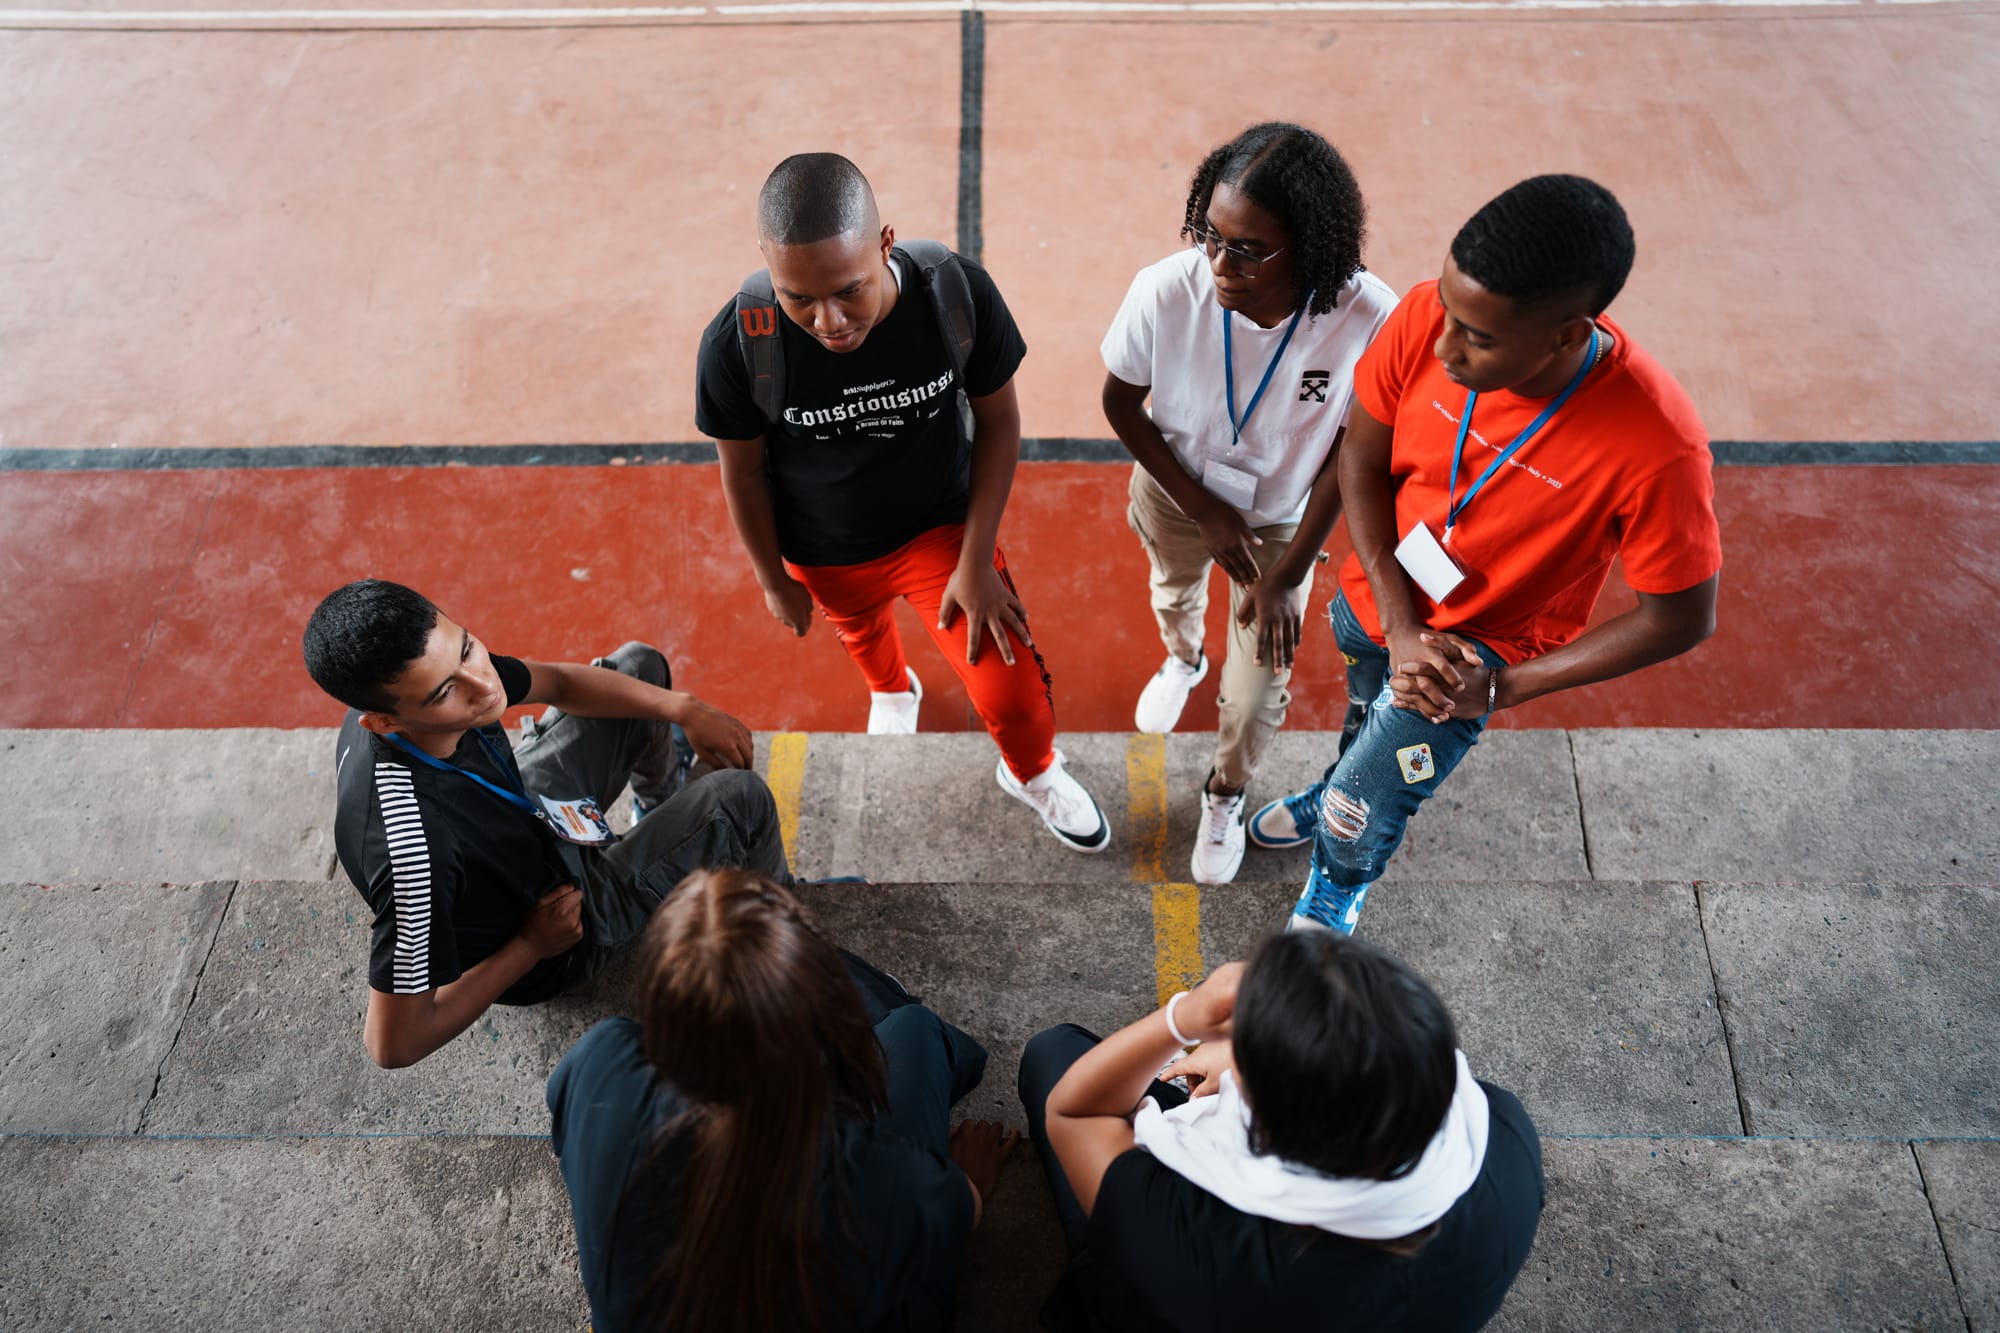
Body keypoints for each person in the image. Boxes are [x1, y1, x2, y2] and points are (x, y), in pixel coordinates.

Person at [1248, 175, 1722, 932]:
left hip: (1476, 658)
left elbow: (1682, 617)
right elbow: (1360, 463)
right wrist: (1401, 625)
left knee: (1364, 802)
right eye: (1448, 307)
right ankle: (1340, 781)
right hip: (1383, 595)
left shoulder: (1659, 444)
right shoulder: (1428, 315)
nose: (1443, 344)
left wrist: (1504, 686)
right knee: (1366, 707)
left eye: (1481, 337)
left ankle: (1338, 882)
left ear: (1569, 333)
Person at [696, 151, 1110, 853]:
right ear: (770, 271)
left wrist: (977, 561)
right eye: (799, 297)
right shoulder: (738, 345)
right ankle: (894, 691)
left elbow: (1001, 422)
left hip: (939, 532)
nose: (827, 320)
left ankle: (1034, 772)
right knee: (862, 636)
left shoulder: (954, 294)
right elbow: (741, 477)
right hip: (824, 548)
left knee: (1012, 691)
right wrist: (773, 580)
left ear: (885, 243)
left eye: (848, 290)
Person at [306, 578, 789, 1068]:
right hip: (559, 928)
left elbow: (558, 684)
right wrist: (531, 945)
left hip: (527, 816)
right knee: (741, 801)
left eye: (469, 650)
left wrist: (686, 708)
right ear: (383, 723)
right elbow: (392, 1045)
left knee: (642, 667)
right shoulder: (414, 853)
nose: (486, 687)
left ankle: (659, 812)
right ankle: (787, 937)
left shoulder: (425, 682)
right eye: (446, 691)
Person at [1101, 122, 1396, 885]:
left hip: (1281, 522)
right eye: (1210, 235)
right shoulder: (1167, 289)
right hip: (1176, 494)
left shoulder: (1370, 320)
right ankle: (1183, 656)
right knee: (1174, 592)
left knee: (1262, 680)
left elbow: (1350, 452)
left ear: (1309, 245)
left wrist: (1287, 572)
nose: (1218, 262)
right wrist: (1201, 505)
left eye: (1246, 248)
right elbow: (1121, 403)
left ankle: (1225, 792)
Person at [547, 868, 1016, 1333]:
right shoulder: (884, 1179)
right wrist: (964, 1178)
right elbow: (959, 1213)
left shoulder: (599, 1064)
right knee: (913, 1028)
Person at [1019, 930, 1543, 1332]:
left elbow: (1077, 1113)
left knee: (1053, 1052)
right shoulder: (1504, 1139)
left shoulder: (1194, 1243)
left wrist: (1184, 1018)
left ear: (1269, 1132)